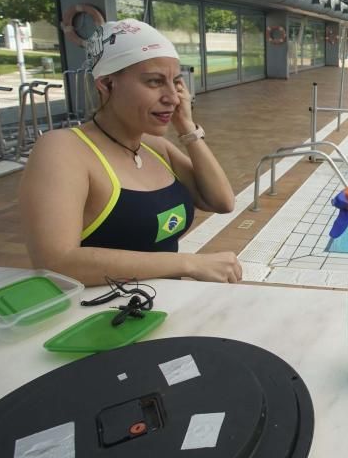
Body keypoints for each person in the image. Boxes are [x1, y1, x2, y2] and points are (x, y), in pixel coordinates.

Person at [19, 19, 243, 285]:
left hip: (159, 307)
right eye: (154, 82)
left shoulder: (154, 146)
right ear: (107, 84)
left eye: (176, 82)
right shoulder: (63, 151)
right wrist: (189, 263)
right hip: (103, 315)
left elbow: (221, 202)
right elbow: (55, 263)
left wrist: (187, 128)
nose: (172, 97)